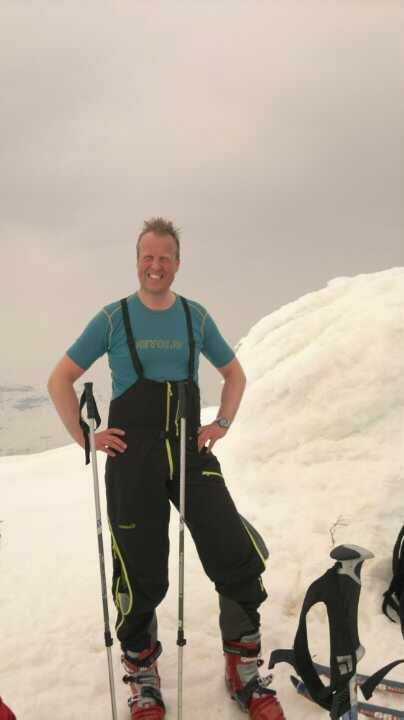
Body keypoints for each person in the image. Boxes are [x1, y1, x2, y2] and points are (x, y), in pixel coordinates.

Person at [48, 217, 285, 720]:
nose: (156, 266)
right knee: (140, 570)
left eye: (165, 258)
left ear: (178, 263)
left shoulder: (195, 317)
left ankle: (241, 667)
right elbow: (61, 379)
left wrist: (221, 421)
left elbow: (233, 374)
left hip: (188, 449)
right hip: (133, 459)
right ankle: (142, 675)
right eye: (148, 257)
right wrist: (85, 437)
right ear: (137, 260)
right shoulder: (112, 319)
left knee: (233, 549)